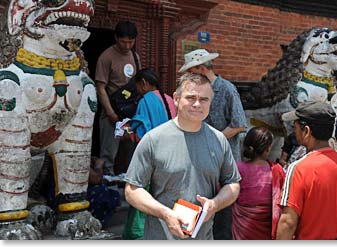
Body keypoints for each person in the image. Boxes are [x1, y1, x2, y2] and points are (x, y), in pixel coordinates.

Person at [123, 72, 241, 240]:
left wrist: (215, 204)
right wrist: (165, 213)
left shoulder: (219, 140)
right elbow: (132, 190)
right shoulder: (154, 139)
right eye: (191, 98)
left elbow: (233, 184)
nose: (197, 104)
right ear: (176, 99)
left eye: (204, 99)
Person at [178, 49, 247, 239]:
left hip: (222, 163)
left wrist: (211, 138)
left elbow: (239, 123)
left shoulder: (227, 89)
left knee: (221, 217)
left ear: (201, 69)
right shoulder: (197, 92)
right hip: (199, 160)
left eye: (191, 72)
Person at [276, 101, 337, 240]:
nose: (294, 130)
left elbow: (288, 222)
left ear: (307, 131)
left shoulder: (298, 168)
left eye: (295, 126)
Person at [122, 68, 177, 239]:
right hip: (171, 155)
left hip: (151, 157)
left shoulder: (145, 100)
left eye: (138, 86)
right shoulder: (169, 99)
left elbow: (142, 133)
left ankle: (136, 235)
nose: (137, 90)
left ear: (144, 84)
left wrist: (128, 131)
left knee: (141, 194)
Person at [95, 20, 140, 175]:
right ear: (116, 38)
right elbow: (100, 87)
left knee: (130, 150)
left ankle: (126, 183)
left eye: (130, 42)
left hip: (129, 114)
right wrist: (110, 113)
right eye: (123, 41)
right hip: (112, 112)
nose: (127, 46)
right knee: (109, 152)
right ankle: (107, 186)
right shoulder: (106, 57)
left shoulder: (135, 57)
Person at [232, 127, 285, 240]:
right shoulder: (276, 170)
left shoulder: (238, 168)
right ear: (268, 149)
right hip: (268, 226)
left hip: (244, 227)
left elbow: (225, 191)